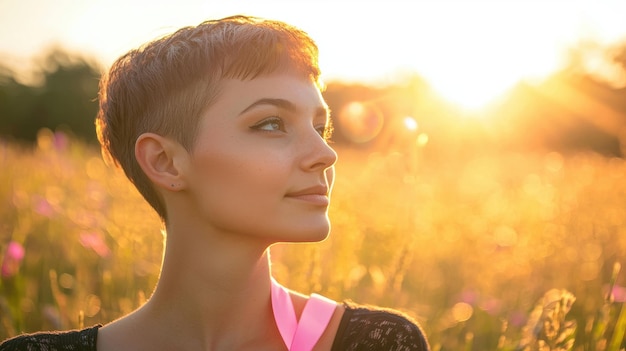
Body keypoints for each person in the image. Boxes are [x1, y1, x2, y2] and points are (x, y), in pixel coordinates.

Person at [0, 15, 429, 351]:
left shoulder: (377, 343)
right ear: (165, 161)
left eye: (320, 126)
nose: (325, 153)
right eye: (271, 124)